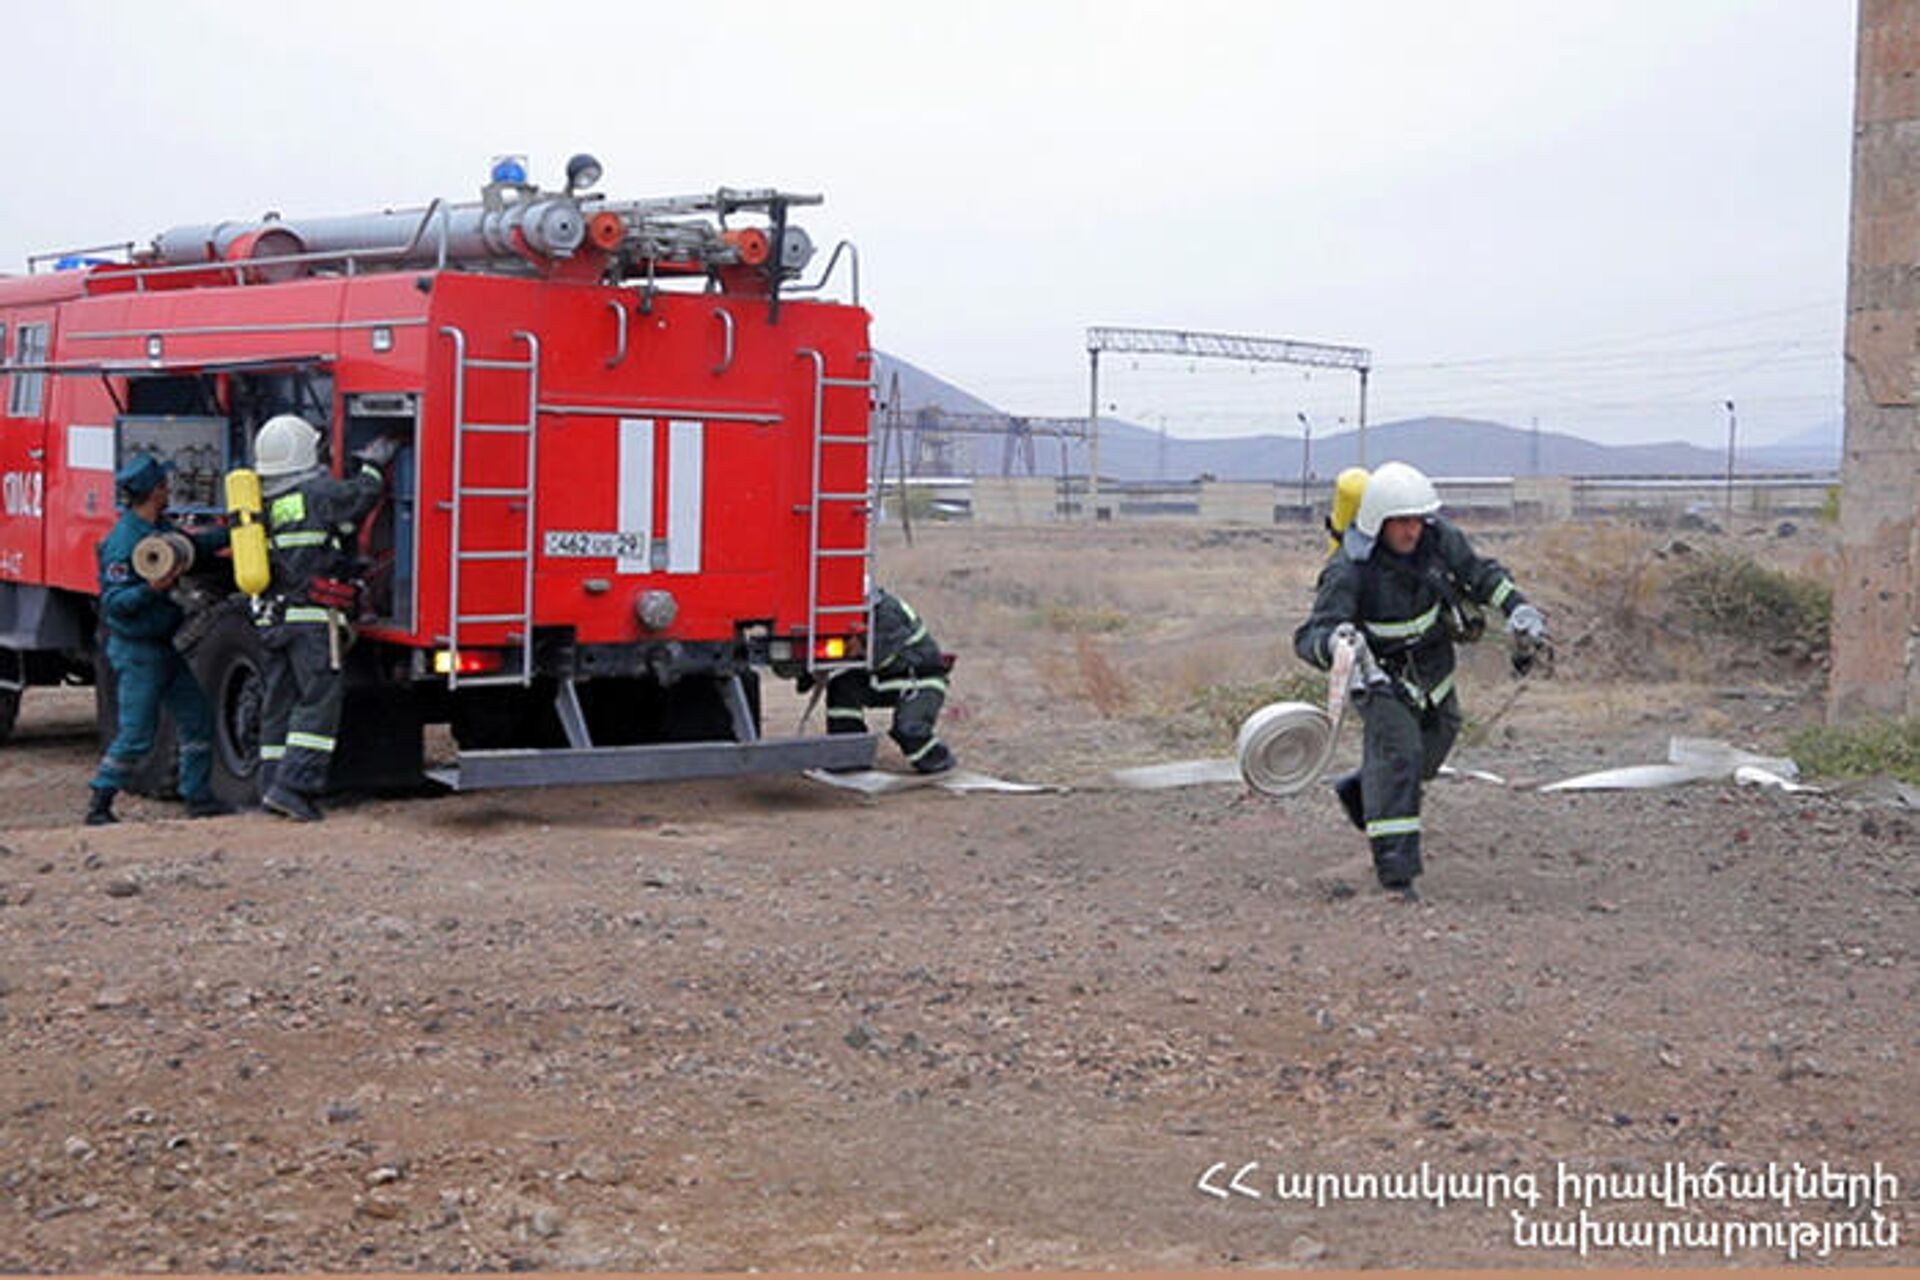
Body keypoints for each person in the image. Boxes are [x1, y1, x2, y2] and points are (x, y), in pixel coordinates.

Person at [1293, 462, 1547, 899]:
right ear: (1378, 523)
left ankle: (1361, 790)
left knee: (1439, 737)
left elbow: (1480, 574)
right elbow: (1308, 636)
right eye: (1402, 522)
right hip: (1379, 678)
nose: (1412, 530)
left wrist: (1518, 607)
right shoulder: (1349, 570)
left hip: (1433, 668)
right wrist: (1336, 644)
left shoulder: (1439, 540)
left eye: (1417, 519)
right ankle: (1396, 875)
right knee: (1400, 758)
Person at [251, 414, 395, 821]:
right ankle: (293, 787)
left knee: (278, 703)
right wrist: (372, 463)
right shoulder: (316, 492)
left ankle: (270, 783)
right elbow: (362, 495)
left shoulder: (270, 502)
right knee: (318, 703)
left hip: (273, 618)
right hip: (312, 620)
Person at [85, 455, 234, 825]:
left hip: (161, 646)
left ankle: (197, 796)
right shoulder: (125, 543)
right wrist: (153, 589)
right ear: (155, 492)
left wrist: (237, 532)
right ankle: (100, 801)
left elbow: (191, 547)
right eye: (165, 484)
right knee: (136, 733)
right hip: (138, 651)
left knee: (196, 719)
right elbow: (115, 604)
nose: (170, 489)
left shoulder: (157, 530)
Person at [823, 587, 957, 774]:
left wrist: (858, 643)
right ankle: (850, 755)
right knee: (842, 687)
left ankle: (936, 760)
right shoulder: (866, 611)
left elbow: (880, 655)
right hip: (888, 678)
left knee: (909, 730)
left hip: (920, 680)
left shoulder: (887, 612)